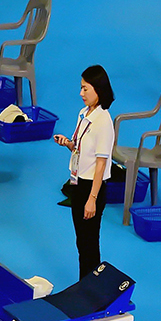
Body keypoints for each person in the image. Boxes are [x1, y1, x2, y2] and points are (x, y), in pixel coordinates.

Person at [55, 67, 116, 278]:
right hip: (77, 183)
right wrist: (68, 144)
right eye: (81, 88)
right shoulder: (84, 114)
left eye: (85, 89)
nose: (81, 93)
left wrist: (92, 199)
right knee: (81, 241)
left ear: (98, 89)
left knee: (89, 242)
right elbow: (80, 148)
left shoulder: (103, 122)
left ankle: (92, 286)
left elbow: (101, 164)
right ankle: (85, 284)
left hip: (92, 187)